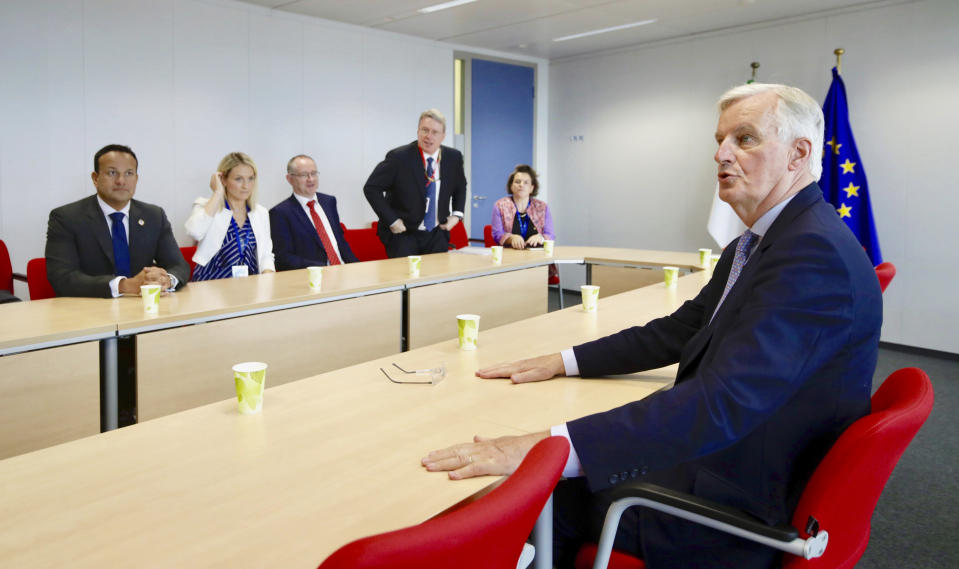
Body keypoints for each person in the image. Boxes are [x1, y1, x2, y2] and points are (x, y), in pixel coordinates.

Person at [422, 84, 883, 569]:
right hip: (739, 456)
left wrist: (549, 447)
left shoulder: (813, 254)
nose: (721, 154)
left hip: (738, 499)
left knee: (542, 497)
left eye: (744, 139)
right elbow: (681, 329)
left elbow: (720, 404)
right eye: (720, 139)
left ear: (799, 155)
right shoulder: (765, 241)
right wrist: (562, 361)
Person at [45, 144, 189, 298]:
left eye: (129, 173)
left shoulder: (154, 215)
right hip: (90, 310)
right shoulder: (66, 218)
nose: (121, 181)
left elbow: (178, 265)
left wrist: (167, 280)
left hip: (144, 306)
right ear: (95, 178)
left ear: (136, 178)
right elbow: (62, 278)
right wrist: (124, 286)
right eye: (112, 173)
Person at [363, 109, 467, 257]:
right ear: (418, 131)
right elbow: (372, 188)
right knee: (407, 278)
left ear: (443, 136)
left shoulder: (453, 157)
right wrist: (392, 220)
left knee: (436, 279)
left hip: (437, 233)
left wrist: (457, 215)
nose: (428, 136)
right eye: (425, 130)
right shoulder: (399, 158)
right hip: (404, 234)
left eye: (435, 132)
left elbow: (460, 187)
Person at [185, 152, 275, 281]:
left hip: (251, 284)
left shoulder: (260, 212)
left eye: (251, 178)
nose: (246, 186)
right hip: (211, 284)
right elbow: (194, 232)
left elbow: (266, 252)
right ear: (223, 180)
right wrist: (217, 192)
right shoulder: (207, 206)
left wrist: (268, 275)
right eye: (238, 179)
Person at [269, 154, 358, 270]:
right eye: (304, 175)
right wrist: (323, 268)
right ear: (289, 179)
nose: (310, 179)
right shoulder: (280, 213)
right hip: (313, 277)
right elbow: (284, 258)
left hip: (343, 270)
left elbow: (340, 242)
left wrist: (357, 266)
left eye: (314, 173)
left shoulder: (329, 202)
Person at [490, 165, 555, 249]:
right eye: (517, 181)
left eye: (526, 182)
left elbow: (550, 234)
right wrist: (511, 238)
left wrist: (541, 238)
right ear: (511, 186)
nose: (521, 185)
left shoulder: (542, 207)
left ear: (531, 188)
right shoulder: (500, 206)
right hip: (509, 256)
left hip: (537, 255)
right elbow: (497, 234)